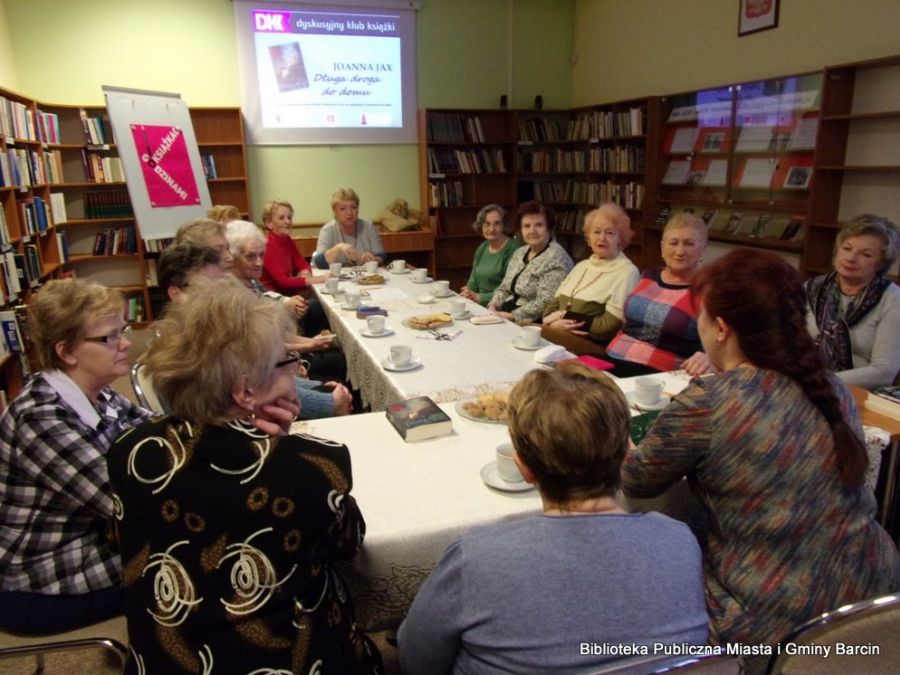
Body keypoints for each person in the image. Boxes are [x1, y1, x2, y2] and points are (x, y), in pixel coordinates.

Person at [621, 250, 900, 659]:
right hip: (874, 598)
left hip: (773, 620)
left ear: (720, 328)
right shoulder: (833, 387)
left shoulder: (710, 401)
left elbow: (636, 479)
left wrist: (622, 440)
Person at [107, 282, 382, 674]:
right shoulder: (313, 466)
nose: (296, 372)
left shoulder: (129, 451)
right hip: (287, 659)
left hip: (165, 658)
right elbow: (347, 542)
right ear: (244, 390)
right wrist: (283, 446)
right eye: (286, 362)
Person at [398, 363, 708, 674]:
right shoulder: (680, 540)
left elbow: (416, 660)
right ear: (627, 452)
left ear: (523, 468)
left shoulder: (476, 559)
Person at [0, 279, 151, 634]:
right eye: (109, 337)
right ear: (67, 352)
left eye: (122, 330)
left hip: (92, 542)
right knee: (197, 563)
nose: (125, 343)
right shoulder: (39, 417)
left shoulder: (98, 394)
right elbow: (126, 503)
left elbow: (157, 430)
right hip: (40, 582)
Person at [225, 220, 353, 418]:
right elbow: (258, 375)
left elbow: (276, 338)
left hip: (281, 370)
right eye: (250, 256)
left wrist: (309, 344)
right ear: (230, 258)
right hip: (269, 384)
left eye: (261, 255)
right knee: (342, 375)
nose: (259, 262)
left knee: (341, 367)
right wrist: (305, 350)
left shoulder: (252, 284)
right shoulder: (232, 299)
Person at [605, 211, 713, 376]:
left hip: (657, 376)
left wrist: (709, 357)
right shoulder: (648, 275)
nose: (680, 251)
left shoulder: (710, 291)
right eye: (673, 243)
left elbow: (725, 343)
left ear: (703, 249)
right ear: (662, 246)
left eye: (689, 244)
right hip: (611, 359)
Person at [805, 214, 900, 390]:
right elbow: (787, 341)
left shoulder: (893, 300)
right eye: (847, 248)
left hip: (858, 394)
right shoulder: (811, 289)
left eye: (866, 254)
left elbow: (884, 371)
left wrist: (821, 380)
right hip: (805, 384)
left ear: (881, 263)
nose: (851, 258)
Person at [542, 203, 639, 343]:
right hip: (556, 335)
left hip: (589, 346)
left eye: (609, 232)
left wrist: (562, 316)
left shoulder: (627, 272)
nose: (602, 238)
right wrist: (554, 326)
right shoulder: (581, 266)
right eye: (596, 231)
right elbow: (549, 310)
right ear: (589, 237)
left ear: (620, 238)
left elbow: (607, 327)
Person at [488, 201, 573, 323]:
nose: (532, 231)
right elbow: (504, 288)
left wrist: (511, 316)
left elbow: (545, 302)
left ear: (548, 227)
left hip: (532, 321)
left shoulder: (557, 259)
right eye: (526, 226)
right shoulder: (519, 253)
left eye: (538, 225)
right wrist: (493, 307)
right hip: (504, 312)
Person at [259, 198, 326, 295]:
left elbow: (303, 264)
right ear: (269, 223)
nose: (287, 221)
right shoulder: (267, 245)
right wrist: (319, 279)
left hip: (289, 295)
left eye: (289, 217)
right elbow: (283, 282)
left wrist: (305, 272)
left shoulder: (287, 240)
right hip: (273, 301)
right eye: (282, 218)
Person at [459, 204, 521, 305]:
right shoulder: (482, 247)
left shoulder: (514, 249)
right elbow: (473, 280)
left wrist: (480, 297)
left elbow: (511, 290)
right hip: (478, 304)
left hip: (501, 306)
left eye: (496, 224)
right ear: (481, 226)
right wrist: (468, 293)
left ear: (504, 225)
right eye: (487, 224)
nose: (491, 229)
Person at [314, 188, 386, 268]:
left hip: (365, 277)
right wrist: (339, 247)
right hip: (338, 278)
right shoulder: (327, 230)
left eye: (353, 207)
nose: (349, 213)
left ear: (358, 209)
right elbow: (319, 262)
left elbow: (382, 256)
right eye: (343, 209)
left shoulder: (368, 226)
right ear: (335, 212)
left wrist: (374, 259)